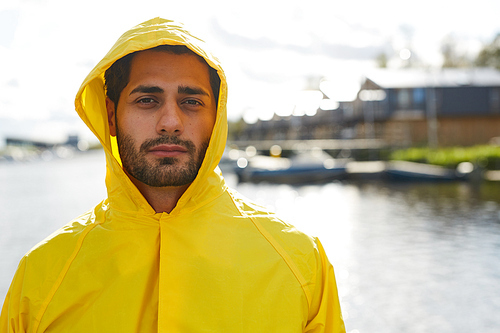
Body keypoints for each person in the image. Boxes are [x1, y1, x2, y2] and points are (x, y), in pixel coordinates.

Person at [0, 17, 345, 332]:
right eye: (147, 100)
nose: (170, 122)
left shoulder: (300, 262)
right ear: (110, 115)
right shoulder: (42, 276)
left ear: (217, 116)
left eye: (191, 102)